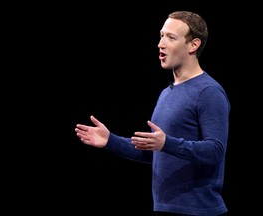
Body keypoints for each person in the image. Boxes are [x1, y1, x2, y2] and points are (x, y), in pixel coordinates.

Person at [75, 11, 230, 216]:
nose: (161, 44)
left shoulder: (208, 92)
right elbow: (157, 152)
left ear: (193, 45)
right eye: (161, 35)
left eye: (171, 37)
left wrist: (168, 143)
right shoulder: (167, 93)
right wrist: (110, 140)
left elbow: (215, 151)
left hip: (199, 211)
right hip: (165, 208)